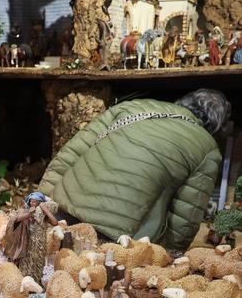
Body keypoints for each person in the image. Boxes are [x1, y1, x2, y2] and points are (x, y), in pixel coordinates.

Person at [38, 89, 228, 253]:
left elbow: (71, 153)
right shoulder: (207, 147)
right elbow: (186, 215)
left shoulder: (131, 107)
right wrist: (170, 253)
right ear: (215, 125)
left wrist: (43, 199)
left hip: (63, 212)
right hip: (118, 237)